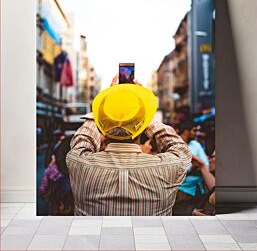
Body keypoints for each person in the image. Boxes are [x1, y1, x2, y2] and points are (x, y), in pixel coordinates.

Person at [66, 77, 191, 216]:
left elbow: (84, 138)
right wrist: (143, 112)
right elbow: (180, 149)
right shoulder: (167, 166)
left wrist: (108, 103)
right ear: (142, 127)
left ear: (103, 128)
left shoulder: (79, 163)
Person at [173, 120, 209, 215]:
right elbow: (177, 169)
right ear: (186, 131)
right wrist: (194, 167)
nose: (196, 133)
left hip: (198, 191)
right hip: (181, 192)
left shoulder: (195, 145)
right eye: (194, 130)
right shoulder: (174, 146)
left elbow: (206, 165)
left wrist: (195, 167)